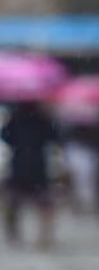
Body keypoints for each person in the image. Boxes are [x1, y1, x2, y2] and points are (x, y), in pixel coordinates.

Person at [2, 101, 60, 248]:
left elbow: (5, 137)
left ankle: (14, 235)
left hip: (20, 165)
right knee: (44, 204)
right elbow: (55, 137)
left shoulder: (15, 118)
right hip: (37, 166)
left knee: (13, 204)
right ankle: (44, 236)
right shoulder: (43, 119)